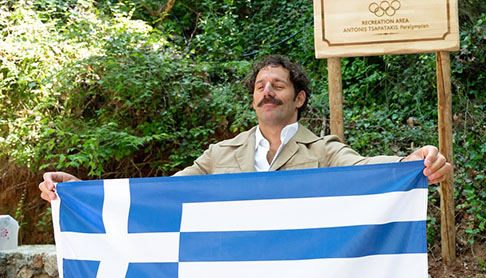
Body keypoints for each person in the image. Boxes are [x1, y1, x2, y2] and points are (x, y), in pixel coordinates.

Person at [39, 55, 451, 201]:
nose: (267, 92)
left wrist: (410, 164)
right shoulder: (219, 155)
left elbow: (364, 170)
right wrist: (84, 192)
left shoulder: (324, 151)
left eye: (278, 85)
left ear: (299, 99)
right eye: (260, 86)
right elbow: (161, 192)